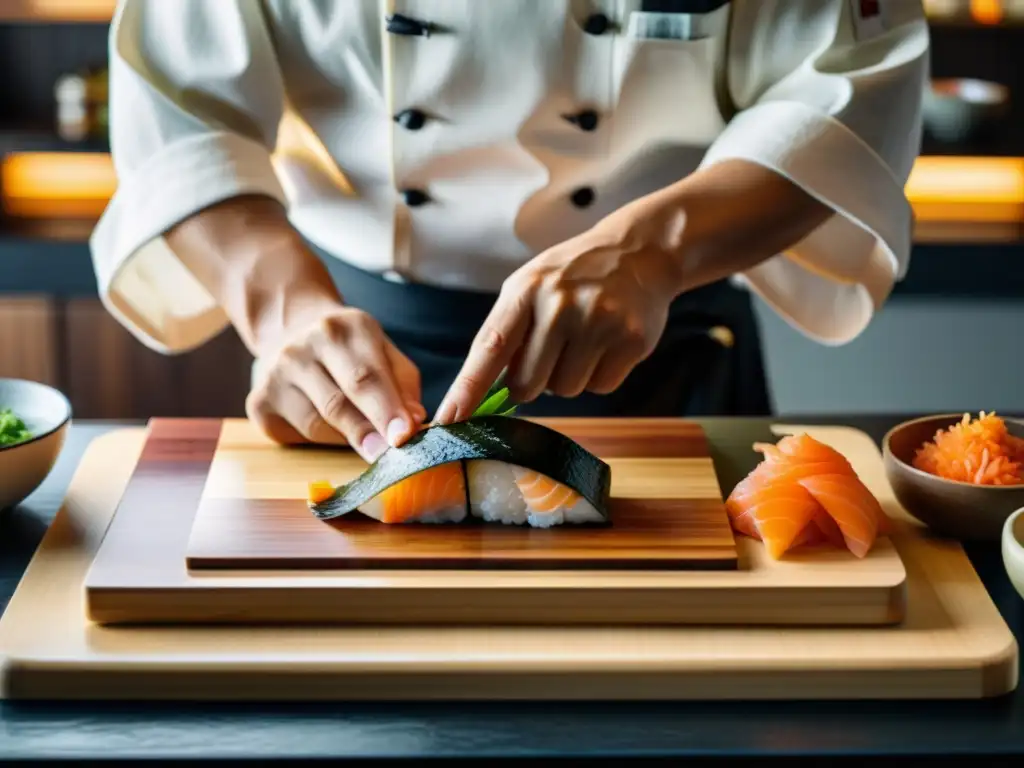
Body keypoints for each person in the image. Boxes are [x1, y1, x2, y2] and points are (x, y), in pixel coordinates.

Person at [90, 0, 928, 461]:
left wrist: (655, 248)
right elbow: (181, 113)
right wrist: (284, 315)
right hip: (358, 352)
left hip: (665, 339)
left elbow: (846, 94)